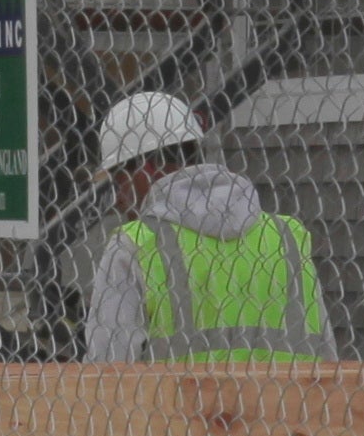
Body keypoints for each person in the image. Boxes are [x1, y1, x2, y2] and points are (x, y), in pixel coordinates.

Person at [73, 90, 329, 364]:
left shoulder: (134, 243)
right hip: (293, 403)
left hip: (180, 406)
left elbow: (107, 369)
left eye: (117, 182)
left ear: (146, 168)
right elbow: (326, 350)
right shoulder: (285, 235)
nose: (120, 201)